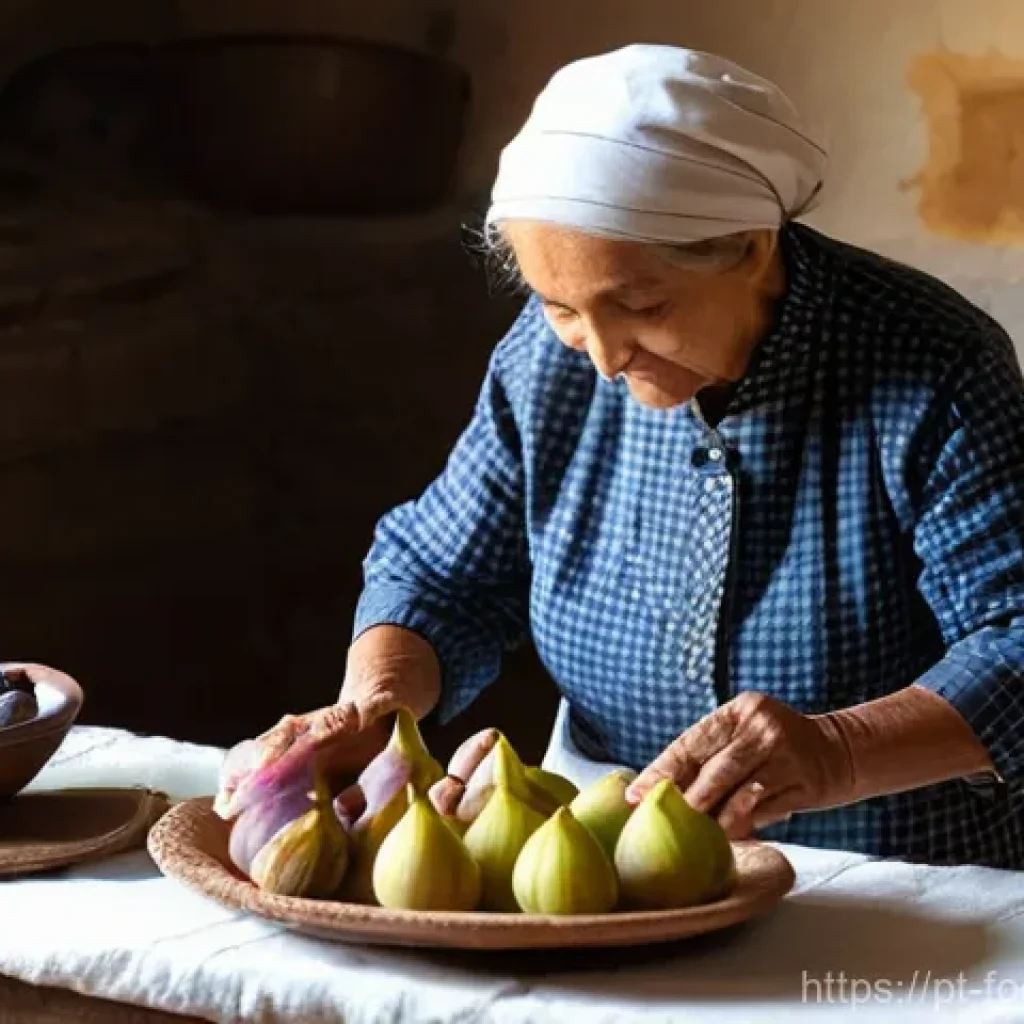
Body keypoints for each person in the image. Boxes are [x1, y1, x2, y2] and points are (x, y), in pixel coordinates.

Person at [252, 44, 1024, 868]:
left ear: (751, 248)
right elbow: (442, 574)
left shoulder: (931, 362)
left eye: (643, 306)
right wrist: (379, 708)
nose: (605, 356)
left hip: (890, 879)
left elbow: (1015, 636)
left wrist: (836, 751)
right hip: (600, 867)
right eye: (560, 306)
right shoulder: (546, 362)